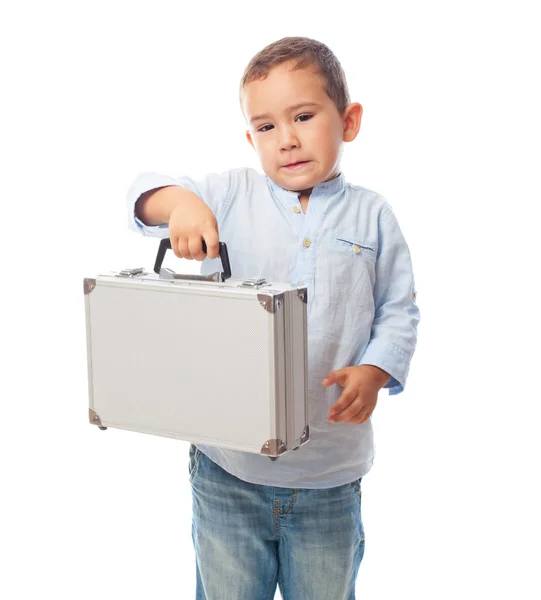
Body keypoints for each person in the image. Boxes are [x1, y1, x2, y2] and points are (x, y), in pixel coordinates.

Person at [126, 36, 420, 600]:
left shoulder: (373, 214)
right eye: (265, 127)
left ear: (349, 120)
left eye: (304, 117)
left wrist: (376, 369)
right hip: (227, 470)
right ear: (250, 138)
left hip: (330, 475)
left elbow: (399, 310)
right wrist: (182, 206)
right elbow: (140, 197)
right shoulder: (231, 194)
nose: (285, 139)